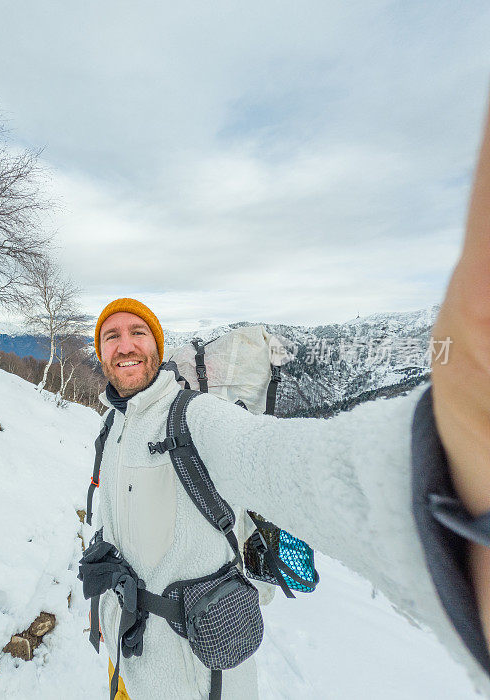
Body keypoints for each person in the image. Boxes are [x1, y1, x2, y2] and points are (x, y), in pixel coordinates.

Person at [85, 99, 490, 699]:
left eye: (137, 332)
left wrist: (449, 475)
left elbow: (307, 470)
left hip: (201, 681)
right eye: (112, 336)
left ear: (157, 346)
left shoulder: (198, 421)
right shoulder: (110, 428)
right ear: (100, 354)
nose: (125, 345)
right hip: (126, 667)